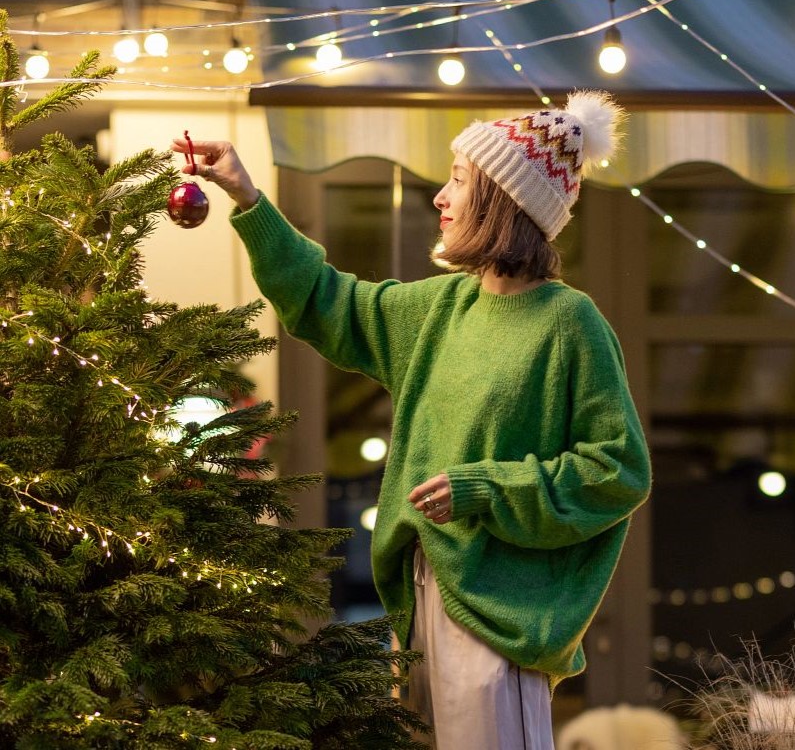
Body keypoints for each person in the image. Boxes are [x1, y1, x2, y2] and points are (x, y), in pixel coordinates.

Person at [171, 89, 651, 750]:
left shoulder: (569, 324)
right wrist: (248, 198)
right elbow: (320, 298)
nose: (440, 198)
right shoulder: (440, 307)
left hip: (499, 616)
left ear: (502, 202)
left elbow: (617, 470)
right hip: (423, 595)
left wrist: (484, 490)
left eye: (458, 181)